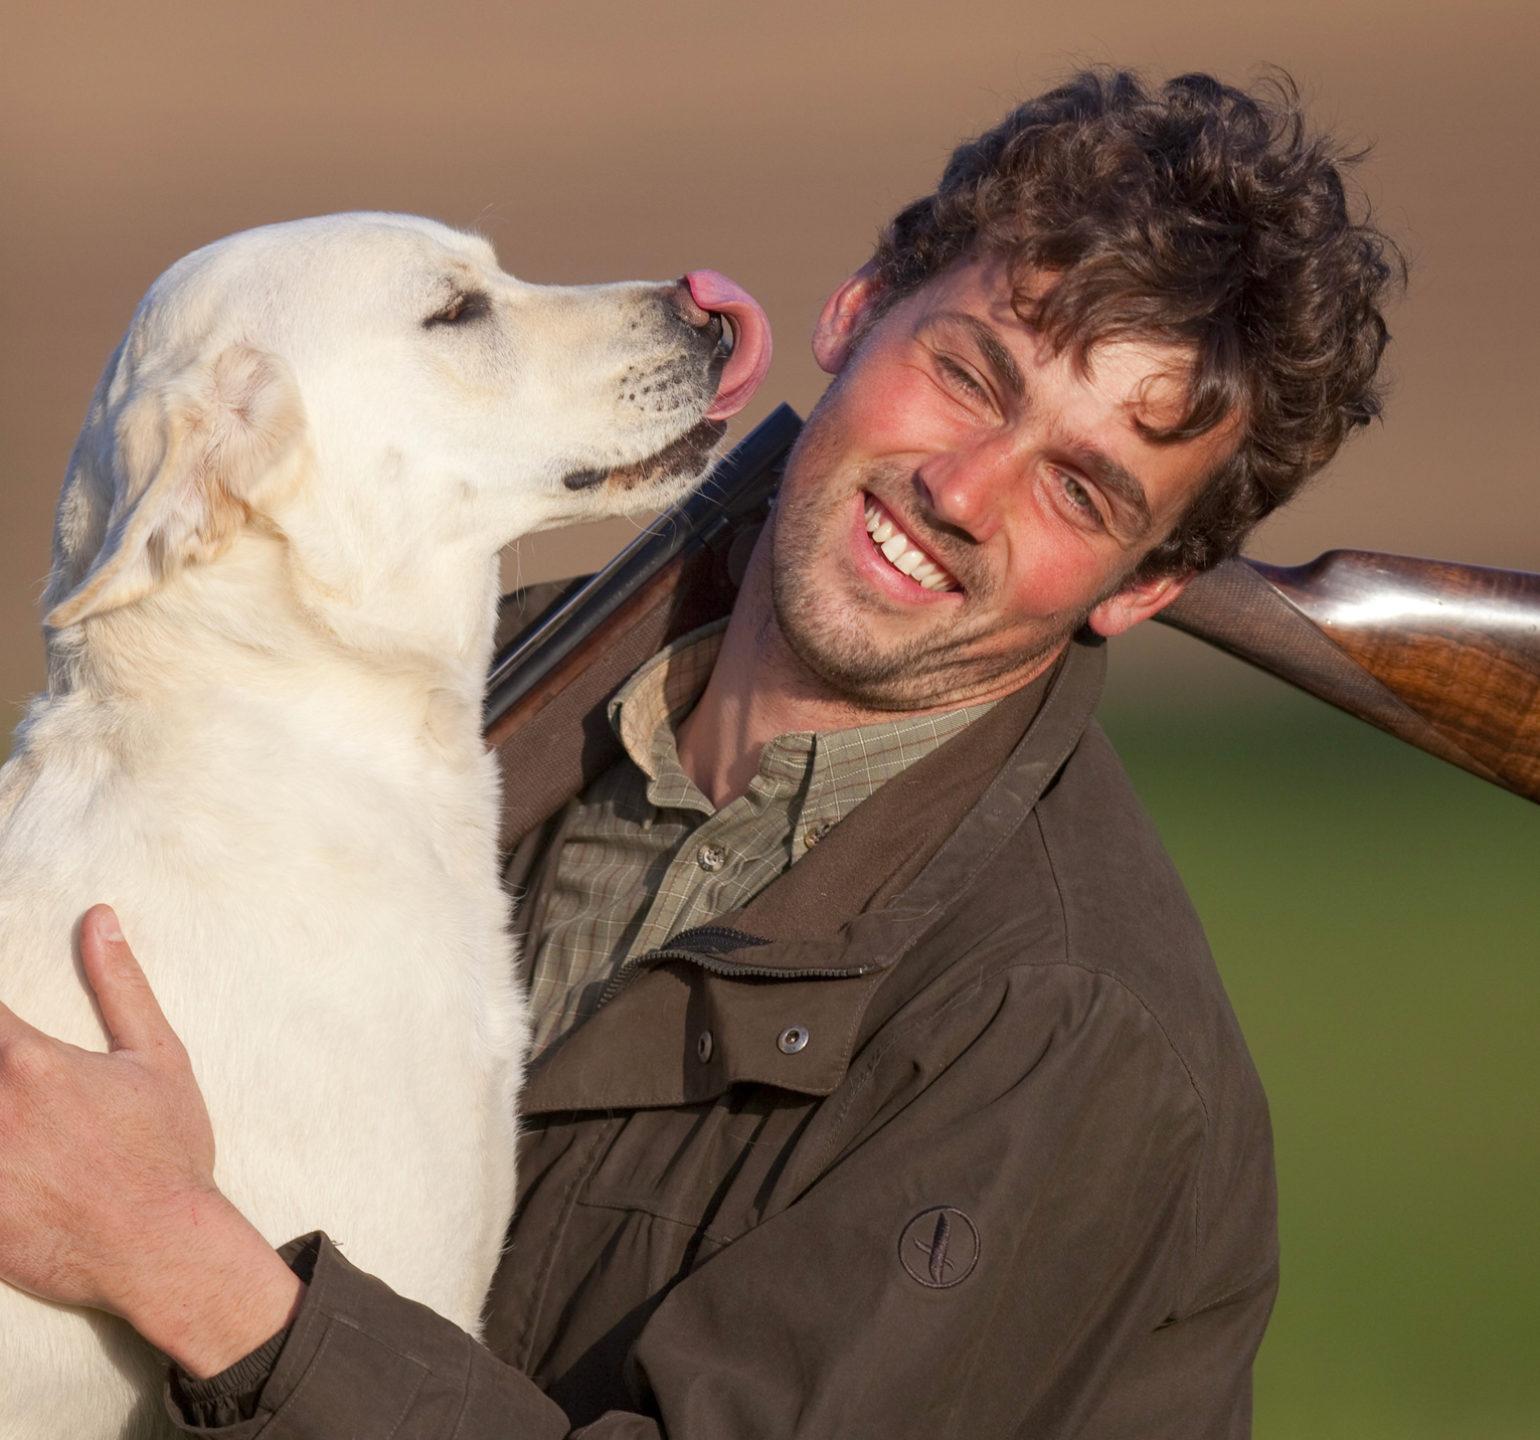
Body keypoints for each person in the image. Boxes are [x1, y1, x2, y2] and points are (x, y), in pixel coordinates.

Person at [0, 69, 1399, 1436]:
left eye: (1082, 487)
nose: (966, 492)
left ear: (1143, 589)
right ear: (854, 314)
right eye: (970, 376)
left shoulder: (1067, 1034)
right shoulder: (456, 703)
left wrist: (184, 1264)